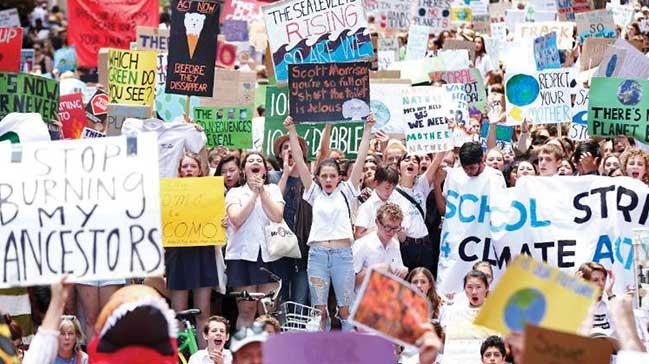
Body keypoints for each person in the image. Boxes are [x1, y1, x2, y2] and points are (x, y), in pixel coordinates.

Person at [283, 114, 374, 331]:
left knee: (345, 308)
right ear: (319, 177)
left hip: (343, 255)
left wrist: (368, 128)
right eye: (324, 176)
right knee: (319, 310)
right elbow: (300, 159)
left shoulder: (347, 190)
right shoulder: (313, 192)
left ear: (339, 177)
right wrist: (292, 131)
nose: (328, 180)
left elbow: (361, 158)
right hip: (318, 255)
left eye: (333, 175)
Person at [225, 152, 287, 329]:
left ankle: (270, 354)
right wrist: (253, 194)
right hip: (242, 256)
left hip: (270, 256)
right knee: (246, 310)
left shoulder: (273, 190)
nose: (255, 163)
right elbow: (236, 219)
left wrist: (263, 192)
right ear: (244, 170)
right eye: (250, 161)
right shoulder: (234, 193)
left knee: (267, 312)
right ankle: (244, 352)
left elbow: (277, 216)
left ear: (265, 170)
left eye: (259, 160)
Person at [166, 153, 219, 346]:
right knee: (179, 311)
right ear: (179, 171)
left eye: (192, 167)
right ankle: (180, 356)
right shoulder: (169, 192)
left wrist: (221, 221)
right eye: (185, 167)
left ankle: (203, 355)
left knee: (203, 311)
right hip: (177, 254)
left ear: (200, 171)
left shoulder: (209, 191)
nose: (188, 170)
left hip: (202, 253)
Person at [395, 153, 441, 272]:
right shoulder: (392, 192)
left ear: (418, 169)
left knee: (424, 285)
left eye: (415, 161)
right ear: (398, 168)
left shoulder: (421, 186)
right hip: (405, 246)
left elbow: (437, 159)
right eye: (406, 160)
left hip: (425, 245)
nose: (411, 163)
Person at [353, 203, 408, 289]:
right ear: (377, 222)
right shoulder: (362, 245)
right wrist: (372, 271)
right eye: (387, 227)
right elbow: (348, 282)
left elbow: (398, 271)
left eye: (395, 228)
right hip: (364, 300)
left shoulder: (395, 244)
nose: (391, 232)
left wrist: (403, 270)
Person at [354, 166, 403, 239]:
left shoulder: (396, 203)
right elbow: (358, 235)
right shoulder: (367, 207)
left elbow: (402, 238)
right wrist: (382, 229)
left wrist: (397, 228)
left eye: (393, 188)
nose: (389, 191)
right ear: (376, 183)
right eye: (387, 187)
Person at [577, 262, 617, 337]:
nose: (601, 283)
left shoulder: (608, 304)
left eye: (603, 279)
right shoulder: (575, 305)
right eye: (595, 280)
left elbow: (623, 329)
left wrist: (610, 292)